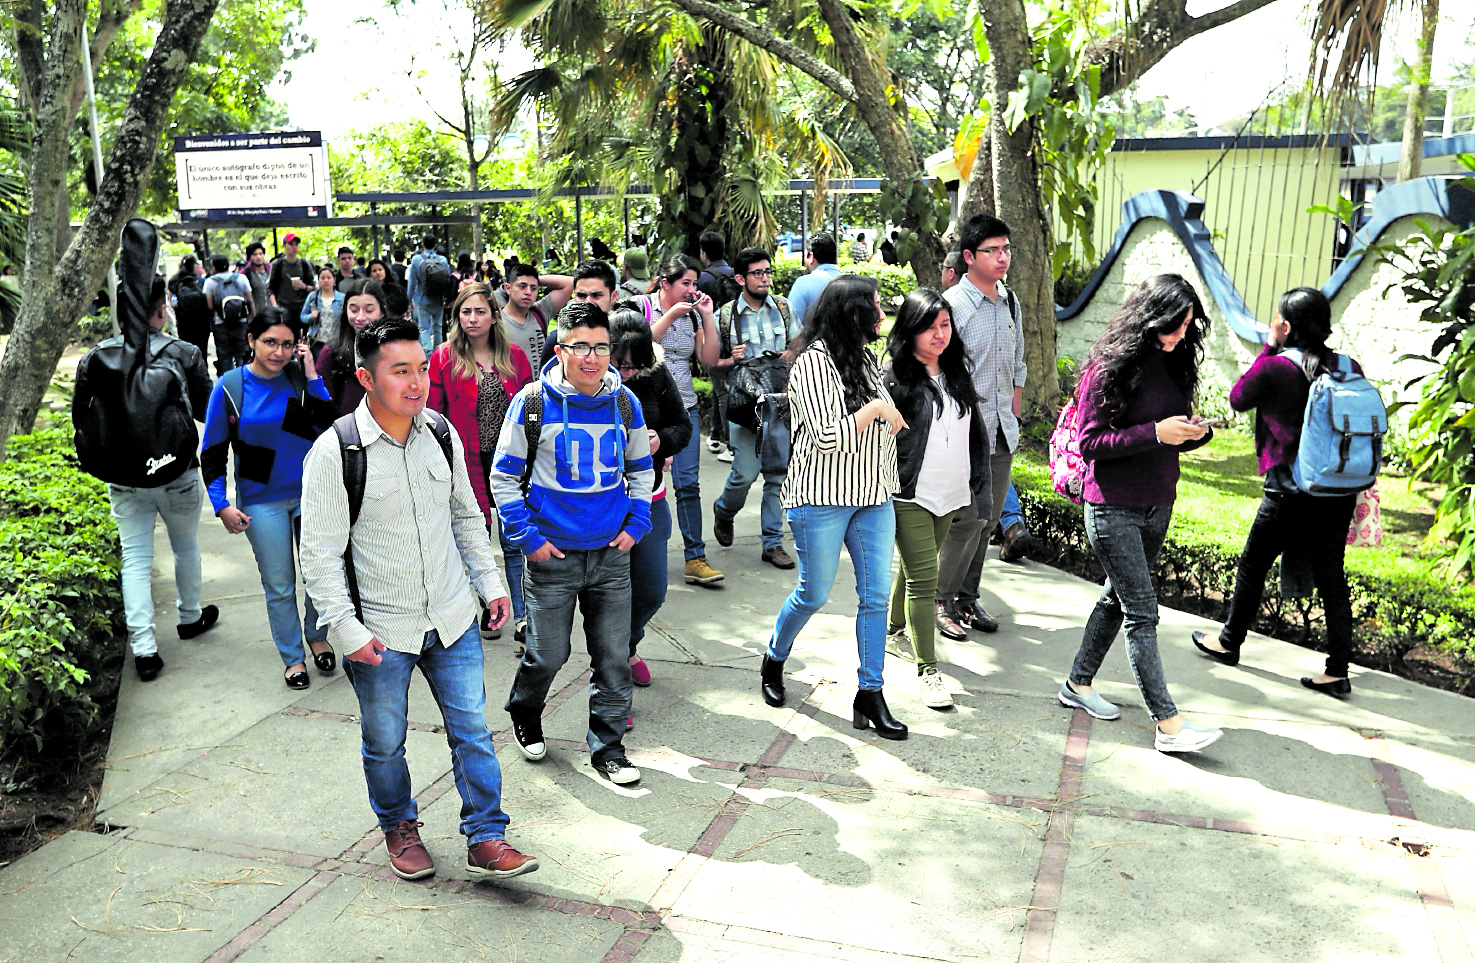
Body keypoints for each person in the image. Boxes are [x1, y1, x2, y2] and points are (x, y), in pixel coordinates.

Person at [299, 317, 537, 883]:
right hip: (382, 631)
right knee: (385, 743)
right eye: (399, 371)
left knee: (473, 732)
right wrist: (346, 630)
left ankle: (487, 835)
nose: (416, 382)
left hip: (452, 616)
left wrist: (492, 585)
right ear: (365, 377)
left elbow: (465, 516)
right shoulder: (335, 453)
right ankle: (399, 826)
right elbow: (319, 554)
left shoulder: (440, 433)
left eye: (422, 368)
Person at [489, 301, 655, 785]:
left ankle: (609, 747)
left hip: (610, 556)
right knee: (548, 653)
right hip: (551, 558)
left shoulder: (626, 403)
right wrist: (527, 538)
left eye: (601, 347)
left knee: (613, 657)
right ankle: (524, 710)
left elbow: (641, 469)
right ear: (560, 349)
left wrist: (637, 522)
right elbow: (504, 476)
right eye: (580, 346)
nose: (592, 357)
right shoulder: (533, 401)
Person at [1057, 274, 1222, 753]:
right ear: (1149, 318)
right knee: (1142, 612)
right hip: (1112, 509)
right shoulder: (1108, 367)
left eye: (1188, 326)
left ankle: (1077, 684)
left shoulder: (1175, 364)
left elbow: (1171, 429)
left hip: (1157, 505)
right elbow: (1090, 442)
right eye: (1173, 325)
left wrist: (1192, 432)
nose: (1180, 336)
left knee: (1117, 600)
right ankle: (1168, 724)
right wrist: (1155, 434)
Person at [759, 275, 909, 740]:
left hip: (872, 497)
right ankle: (774, 658)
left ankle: (870, 692)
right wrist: (876, 413)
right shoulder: (811, 365)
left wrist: (883, 420)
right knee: (814, 594)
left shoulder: (863, 358)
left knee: (875, 598)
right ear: (853, 314)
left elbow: (886, 424)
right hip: (821, 497)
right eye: (876, 307)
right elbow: (829, 438)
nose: (882, 316)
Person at [1193, 287, 1363, 696]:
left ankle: (1229, 642)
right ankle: (1337, 670)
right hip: (1337, 489)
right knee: (1331, 577)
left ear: (1286, 325)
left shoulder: (1277, 368)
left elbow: (1237, 398)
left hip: (1288, 489)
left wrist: (1270, 346)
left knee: (1253, 566)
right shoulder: (1347, 365)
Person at [74, 277, 219, 681]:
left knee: (135, 559)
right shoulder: (184, 353)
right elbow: (209, 411)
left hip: (121, 476)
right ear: (159, 310)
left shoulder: (94, 357)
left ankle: (145, 650)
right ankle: (190, 617)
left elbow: (80, 422)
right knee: (185, 547)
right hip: (177, 470)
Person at [201, 309, 338, 689]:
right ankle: (293, 658)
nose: (278, 352)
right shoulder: (231, 387)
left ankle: (317, 634)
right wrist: (221, 504)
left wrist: (311, 374)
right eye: (270, 342)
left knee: (319, 576)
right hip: (261, 500)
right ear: (251, 341)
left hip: (312, 495)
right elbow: (212, 451)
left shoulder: (297, 378)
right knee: (280, 585)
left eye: (287, 344)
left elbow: (328, 425)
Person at [882, 289, 984, 709]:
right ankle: (928, 671)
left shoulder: (958, 372)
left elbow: (971, 430)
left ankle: (892, 631)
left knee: (914, 568)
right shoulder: (895, 377)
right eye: (929, 327)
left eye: (945, 325)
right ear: (910, 330)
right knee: (926, 578)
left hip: (952, 489)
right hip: (911, 491)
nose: (939, 334)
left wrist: (977, 481)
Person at [428, 283, 535, 644]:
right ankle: (490, 605)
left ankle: (522, 617)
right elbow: (432, 416)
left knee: (513, 537)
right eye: (465, 312)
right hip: (464, 461)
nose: (472, 319)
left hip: (508, 462)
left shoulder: (514, 357)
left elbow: (531, 411)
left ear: (493, 315)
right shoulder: (444, 358)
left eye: (480, 311)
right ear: (457, 316)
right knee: (473, 536)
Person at [935, 215, 1024, 641]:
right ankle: (939, 600)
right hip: (964, 431)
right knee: (967, 519)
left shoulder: (1011, 301)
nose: (1002, 257)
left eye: (1006, 249)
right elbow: (938, 368)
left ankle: (967, 599)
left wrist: (1015, 410)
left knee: (987, 521)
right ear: (969, 257)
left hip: (1002, 429)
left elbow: (1017, 363)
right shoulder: (951, 306)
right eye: (992, 250)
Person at [609, 308, 691, 710]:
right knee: (608, 598)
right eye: (617, 362)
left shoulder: (656, 375)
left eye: (632, 365)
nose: (624, 373)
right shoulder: (590, 380)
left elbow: (683, 426)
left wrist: (663, 441)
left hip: (650, 497)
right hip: (601, 504)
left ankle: (628, 646)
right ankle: (610, 688)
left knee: (652, 589)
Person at [631, 254, 724, 586]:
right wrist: (670, 315)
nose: (691, 289)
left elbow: (709, 359)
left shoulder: (693, 317)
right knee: (637, 484)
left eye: (694, 284)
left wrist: (708, 318)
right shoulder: (640, 308)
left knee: (688, 485)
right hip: (642, 412)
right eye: (685, 283)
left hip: (683, 410)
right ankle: (633, 553)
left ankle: (695, 558)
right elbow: (637, 348)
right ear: (665, 283)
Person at [710, 246, 802, 570]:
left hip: (779, 401)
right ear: (740, 278)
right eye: (757, 273)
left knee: (777, 475)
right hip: (746, 402)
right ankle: (724, 510)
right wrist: (730, 360)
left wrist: (792, 351)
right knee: (745, 473)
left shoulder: (783, 307)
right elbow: (710, 364)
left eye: (767, 272)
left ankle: (772, 543)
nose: (764, 279)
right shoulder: (724, 316)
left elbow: (799, 341)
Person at [317, 280, 388, 415]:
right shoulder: (332, 352)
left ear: (382, 312)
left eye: (369, 310)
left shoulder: (395, 350)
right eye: (354, 310)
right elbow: (321, 403)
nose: (360, 317)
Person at [535, 260, 619, 371]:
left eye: (596, 295)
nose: (588, 302)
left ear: (613, 296)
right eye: (582, 295)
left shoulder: (623, 336)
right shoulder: (558, 339)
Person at [500, 264, 573, 371]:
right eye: (522, 286)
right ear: (508, 288)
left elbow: (571, 283)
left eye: (533, 288)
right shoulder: (495, 321)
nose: (528, 292)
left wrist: (535, 279)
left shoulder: (540, 312)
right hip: (513, 386)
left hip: (540, 386)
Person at [204, 253, 254, 373]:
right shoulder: (241, 278)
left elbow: (210, 306)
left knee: (224, 355)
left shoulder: (210, 282)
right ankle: (243, 379)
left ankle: (228, 383)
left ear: (214, 267)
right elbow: (250, 300)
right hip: (241, 322)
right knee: (241, 353)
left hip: (221, 323)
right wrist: (251, 317)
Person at [786, 233, 842, 324]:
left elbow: (792, 325)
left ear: (811, 257)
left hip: (810, 338)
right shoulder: (848, 282)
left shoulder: (803, 283)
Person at [169, 255, 212, 366]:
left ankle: (189, 376)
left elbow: (172, 302)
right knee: (202, 350)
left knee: (186, 351)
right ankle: (203, 373)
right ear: (194, 266)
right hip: (202, 323)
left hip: (184, 323)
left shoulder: (174, 281)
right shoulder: (202, 281)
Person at [267, 233, 314, 321]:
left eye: (296, 244)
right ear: (284, 246)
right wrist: (276, 308)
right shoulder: (278, 264)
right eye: (291, 244)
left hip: (303, 308)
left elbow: (315, 288)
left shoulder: (304, 265)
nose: (294, 247)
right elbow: (271, 289)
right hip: (284, 308)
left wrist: (304, 286)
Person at [301, 265, 343, 347]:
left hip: (336, 340)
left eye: (329, 278)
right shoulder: (312, 296)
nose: (326, 280)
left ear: (334, 280)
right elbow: (303, 316)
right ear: (318, 280)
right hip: (316, 340)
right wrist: (310, 316)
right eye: (322, 278)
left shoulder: (342, 298)